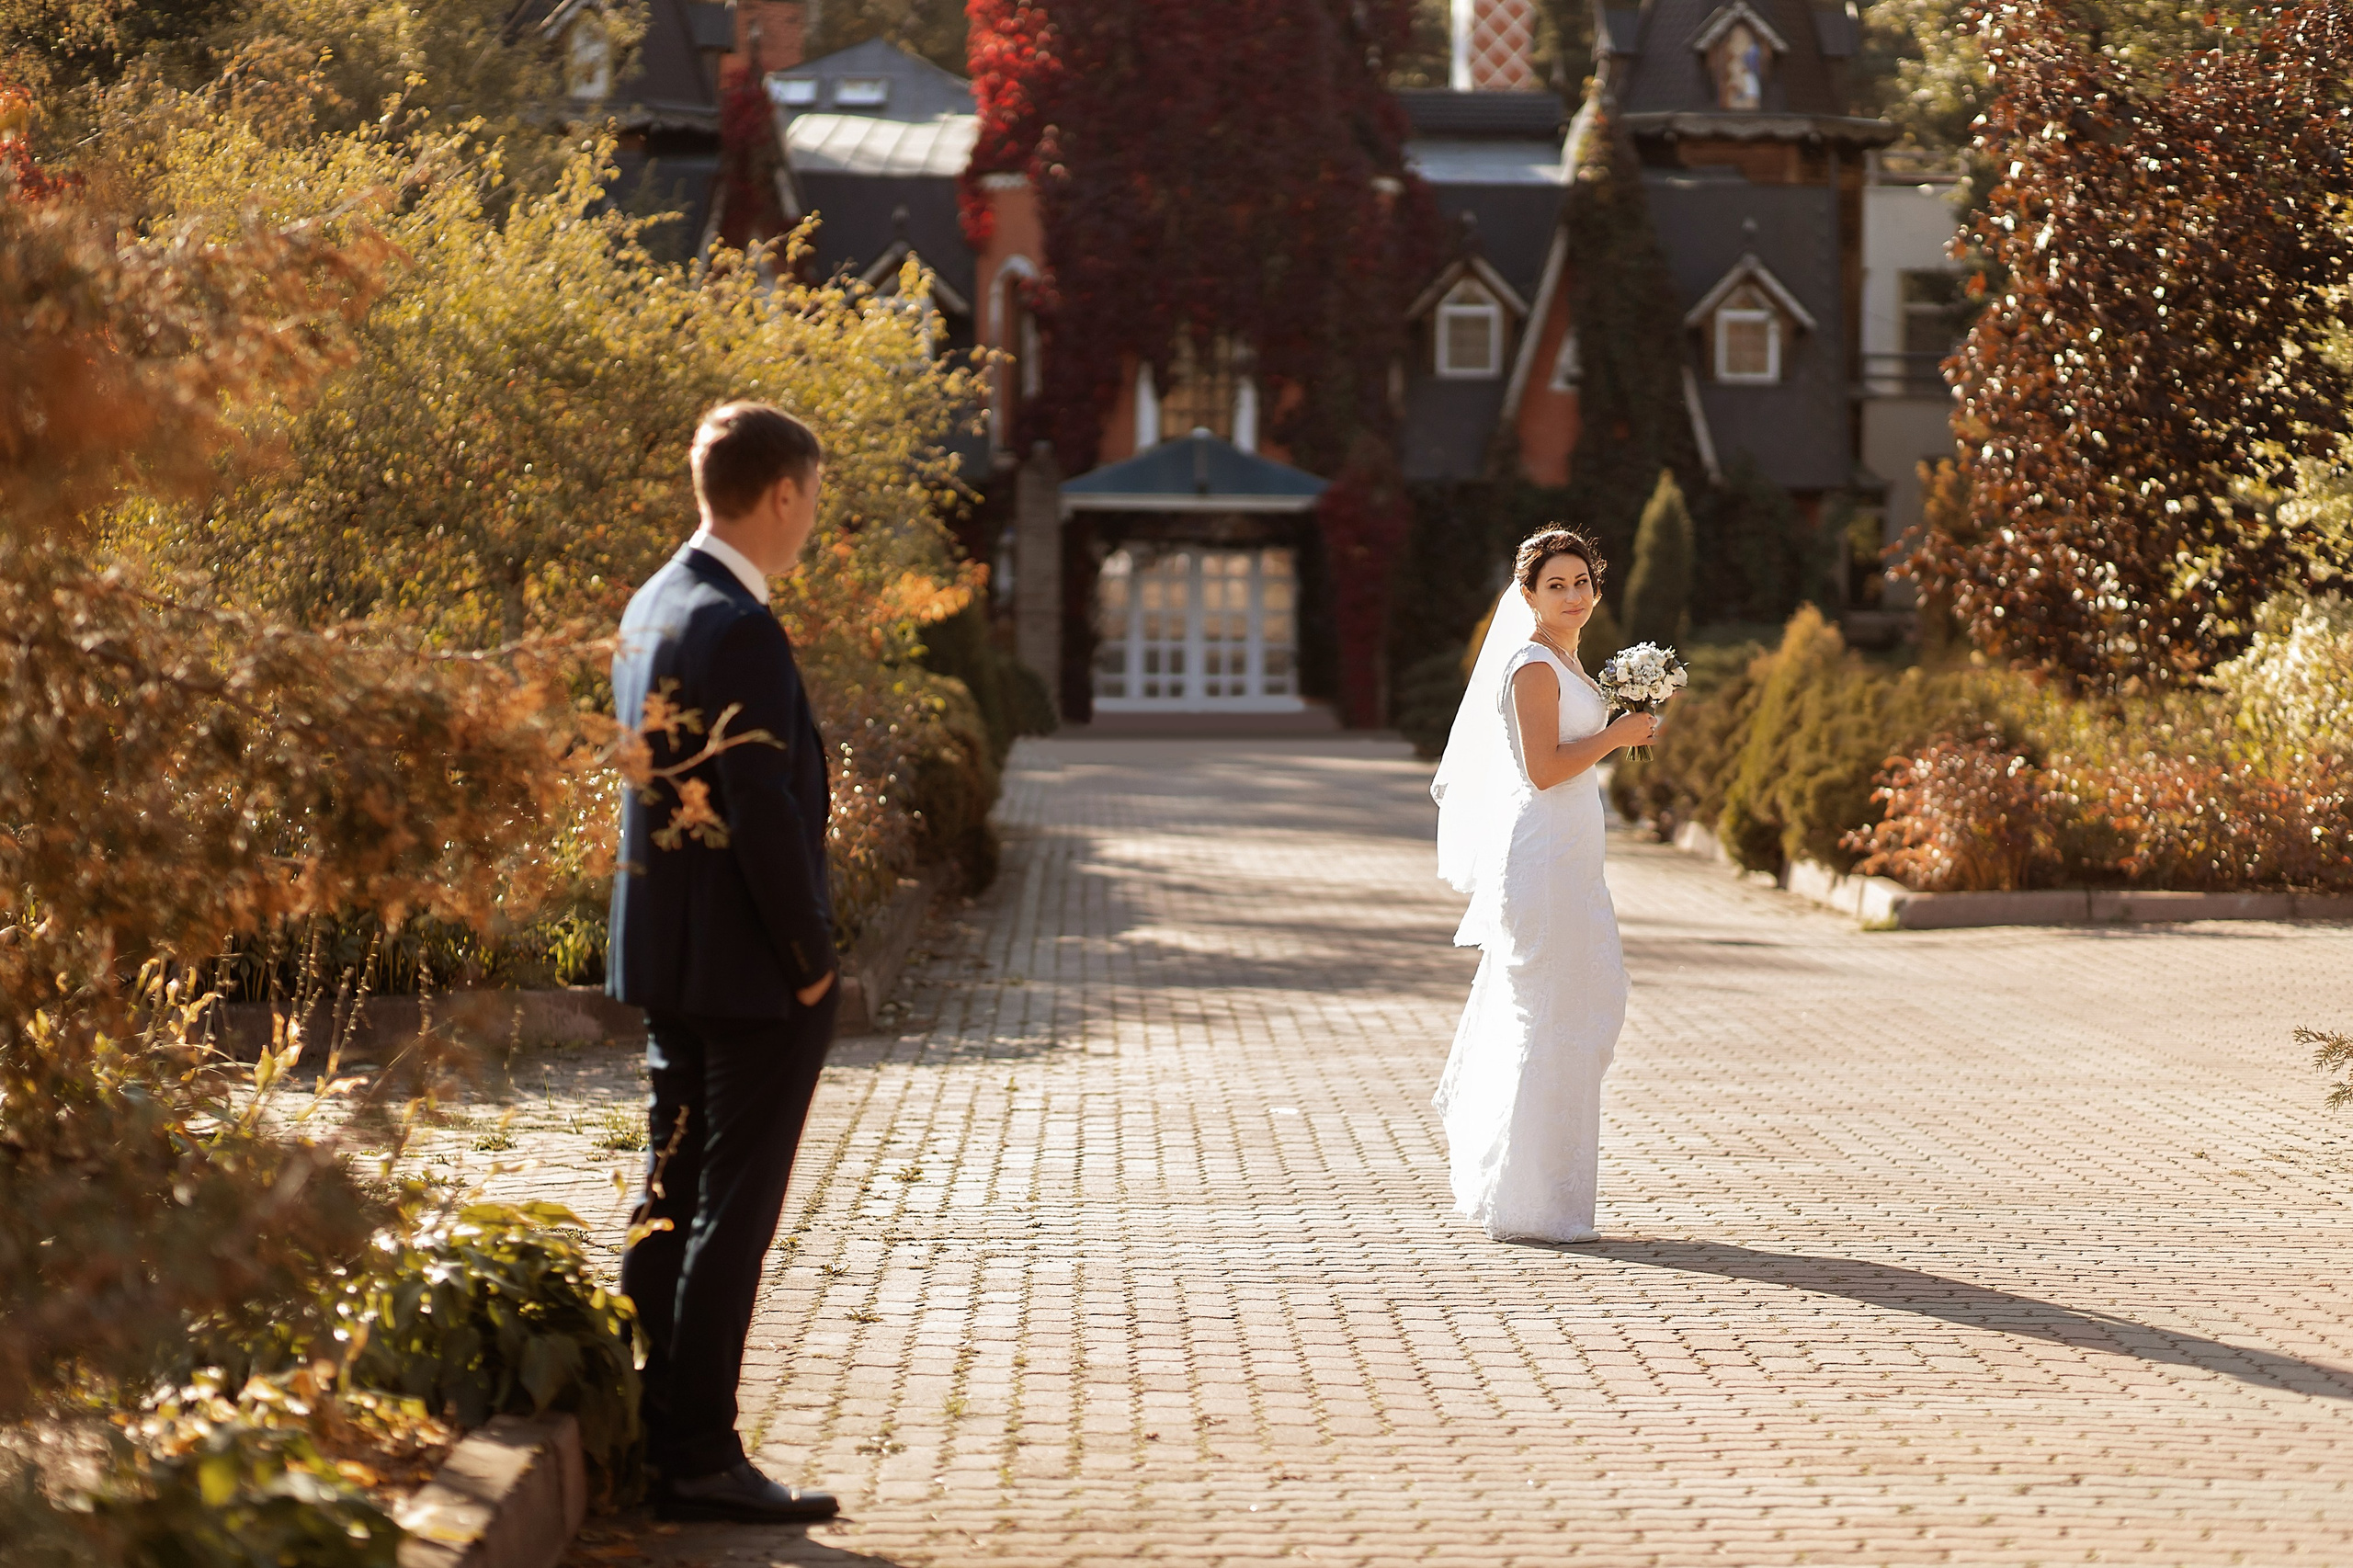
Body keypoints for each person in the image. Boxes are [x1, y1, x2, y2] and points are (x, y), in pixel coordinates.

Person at [608, 402, 842, 1522]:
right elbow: (762, 807)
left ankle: (646, 1422)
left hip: (670, 957)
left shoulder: (653, 601)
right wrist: (809, 960)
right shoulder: (738, 623)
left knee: (673, 1186)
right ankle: (696, 1448)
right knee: (727, 1211)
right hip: (753, 973)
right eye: (813, 497)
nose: (811, 519)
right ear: (782, 492)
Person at [1428, 527, 1662, 1244]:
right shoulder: (1532, 666)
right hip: (1544, 857)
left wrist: (1624, 724)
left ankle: (1549, 1197)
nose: (1572, 596)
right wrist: (1618, 737)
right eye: (1555, 585)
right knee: (1549, 1017)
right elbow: (1544, 769)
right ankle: (1530, 1203)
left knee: (1578, 1008)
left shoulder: (1571, 661)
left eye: (1582, 583)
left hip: (1573, 858)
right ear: (1527, 594)